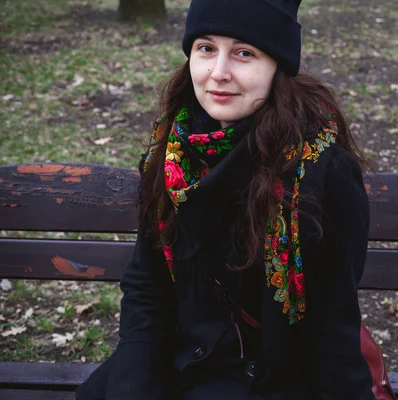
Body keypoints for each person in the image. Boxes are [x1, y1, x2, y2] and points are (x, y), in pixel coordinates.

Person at [76, 0, 376, 398]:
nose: (218, 73)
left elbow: (331, 326)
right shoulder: (172, 153)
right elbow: (148, 289)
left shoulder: (321, 171)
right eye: (205, 48)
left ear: (277, 66)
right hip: (175, 364)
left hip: (265, 380)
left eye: (244, 53)